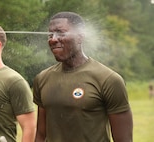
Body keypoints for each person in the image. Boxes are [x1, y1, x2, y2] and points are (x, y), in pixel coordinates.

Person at [33, 12, 133, 142]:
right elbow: (41, 134)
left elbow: (124, 140)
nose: (53, 39)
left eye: (60, 33)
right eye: (50, 34)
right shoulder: (42, 78)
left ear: (80, 37)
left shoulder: (108, 79)